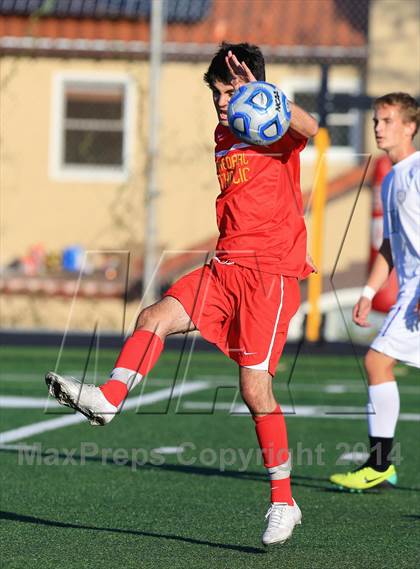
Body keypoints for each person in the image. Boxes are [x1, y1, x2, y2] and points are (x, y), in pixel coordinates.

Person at [46, 42, 318, 545]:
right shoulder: (223, 133)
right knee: (153, 316)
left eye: (226, 89)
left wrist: (262, 92)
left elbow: (312, 127)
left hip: (270, 276)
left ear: (252, 87)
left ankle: (284, 501)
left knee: (254, 390)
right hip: (225, 268)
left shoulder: (273, 125)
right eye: (215, 91)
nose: (219, 100)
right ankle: (108, 399)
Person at [330, 92, 419, 492]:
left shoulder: (417, 172)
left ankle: (380, 465)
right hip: (409, 292)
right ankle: (381, 465)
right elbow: (390, 245)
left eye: (387, 121)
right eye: (376, 122)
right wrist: (368, 291)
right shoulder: (390, 178)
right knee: (378, 363)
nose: (378, 128)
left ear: (410, 127)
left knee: (377, 362)